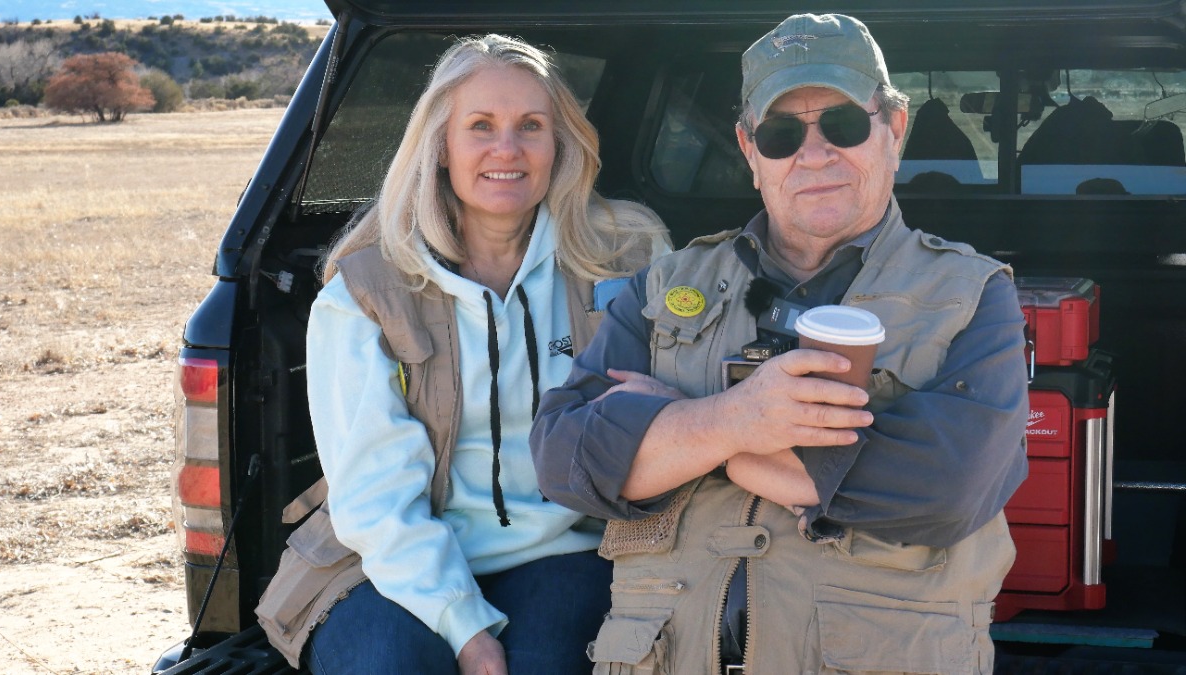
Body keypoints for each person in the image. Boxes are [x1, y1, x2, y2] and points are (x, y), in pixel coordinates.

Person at [530, 12, 1029, 674]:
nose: (813, 154)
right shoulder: (665, 285)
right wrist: (735, 420)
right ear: (748, 149)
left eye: (843, 125)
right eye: (782, 133)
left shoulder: (974, 295)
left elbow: (947, 488)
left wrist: (683, 433)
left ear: (894, 129)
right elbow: (563, 456)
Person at [254, 34, 668, 675]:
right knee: (389, 662)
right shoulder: (365, 294)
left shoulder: (625, 259)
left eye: (530, 126)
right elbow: (375, 499)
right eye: (480, 126)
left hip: (568, 550)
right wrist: (466, 629)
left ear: (559, 144)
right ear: (440, 146)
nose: (507, 149)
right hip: (384, 559)